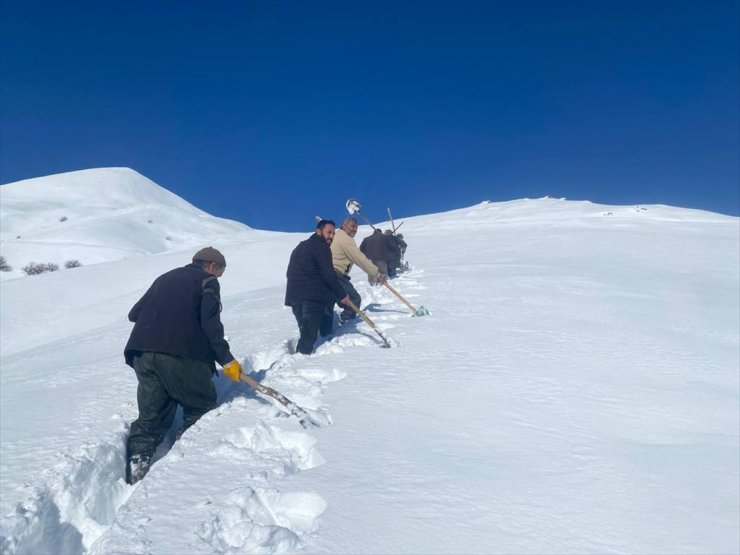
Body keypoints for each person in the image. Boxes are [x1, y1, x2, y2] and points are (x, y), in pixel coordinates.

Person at [123, 247, 242, 484]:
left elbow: (134, 314)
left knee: (152, 414)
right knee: (199, 406)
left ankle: (138, 463)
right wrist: (227, 360)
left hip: (142, 352)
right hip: (181, 353)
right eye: (220, 271)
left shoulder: (164, 277)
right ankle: (184, 464)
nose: (219, 277)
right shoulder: (207, 281)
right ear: (210, 266)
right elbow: (210, 325)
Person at [285, 219, 350, 354]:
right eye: (329, 233)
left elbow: (289, 272)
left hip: (295, 297)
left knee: (306, 332)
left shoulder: (300, 246)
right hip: (312, 297)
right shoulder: (322, 247)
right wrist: (342, 295)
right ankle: (300, 363)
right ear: (318, 231)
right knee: (309, 336)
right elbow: (328, 274)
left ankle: (299, 358)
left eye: (333, 234)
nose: (331, 236)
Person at [330, 217, 387, 323]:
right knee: (354, 300)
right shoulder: (344, 238)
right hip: (335, 274)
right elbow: (359, 258)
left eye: (356, 227)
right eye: (352, 226)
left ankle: (326, 332)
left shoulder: (336, 236)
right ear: (343, 226)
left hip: (326, 274)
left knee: (328, 304)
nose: (355, 229)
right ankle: (345, 323)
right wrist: (376, 274)